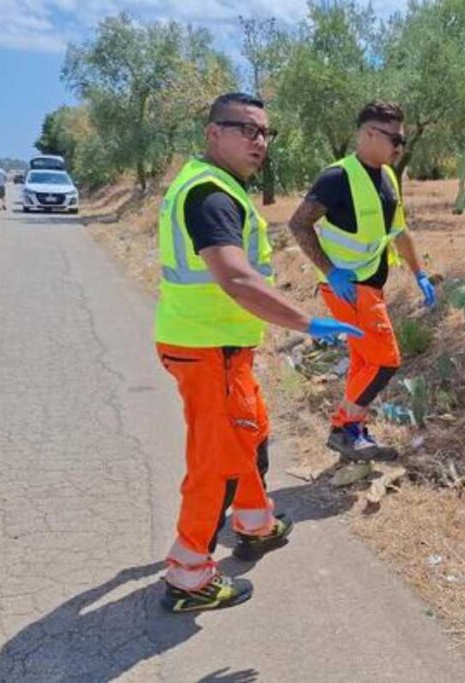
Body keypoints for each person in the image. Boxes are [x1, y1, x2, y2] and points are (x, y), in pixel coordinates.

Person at [155, 92, 364, 613]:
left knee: (251, 432)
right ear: (213, 133)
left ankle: (255, 524)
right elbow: (236, 277)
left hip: (220, 347)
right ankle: (189, 578)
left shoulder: (218, 186)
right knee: (218, 463)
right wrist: (307, 322)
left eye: (265, 132)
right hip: (209, 349)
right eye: (245, 129)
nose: (259, 141)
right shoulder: (210, 195)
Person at [288, 101, 436, 463]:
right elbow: (298, 223)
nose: (400, 147)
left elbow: (399, 232)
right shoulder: (337, 177)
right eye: (395, 139)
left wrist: (419, 273)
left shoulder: (387, 178)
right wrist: (330, 270)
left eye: (402, 140)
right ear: (369, 133)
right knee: (385, 361)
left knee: (364, 361)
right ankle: (343, 429)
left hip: (372, 286)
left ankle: (352, 430)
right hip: (348, 287)